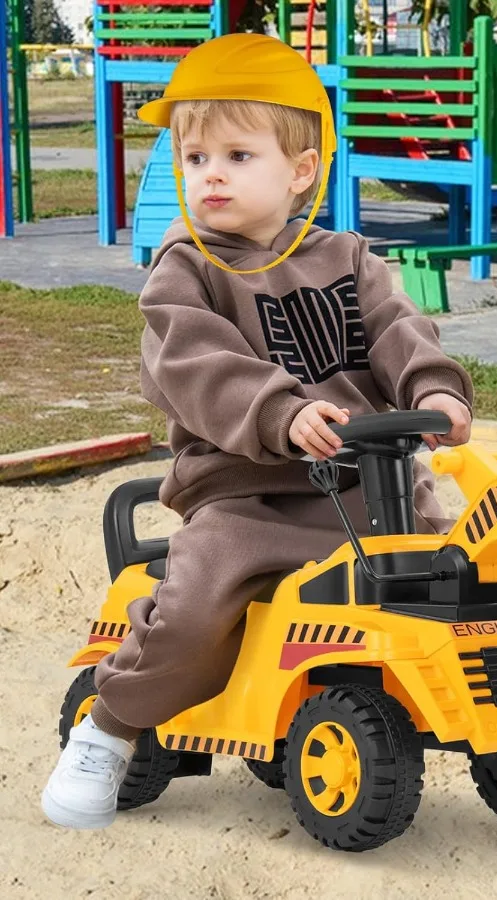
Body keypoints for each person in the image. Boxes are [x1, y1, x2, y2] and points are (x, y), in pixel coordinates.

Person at [41, 32, 473, 830]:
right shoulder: (187, 269)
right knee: (198, 609)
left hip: (369, 490)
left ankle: (490, 736)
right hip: (250, 497)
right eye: (195, 156)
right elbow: (193, 364)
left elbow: (399, 330)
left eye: (238, 156)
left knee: (460, 581)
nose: (210, 175)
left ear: (300, 171)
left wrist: (436, 394)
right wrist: (281, 411)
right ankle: (110, 726)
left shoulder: (349, 258)